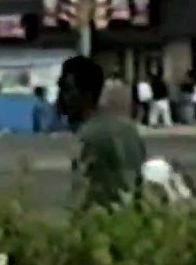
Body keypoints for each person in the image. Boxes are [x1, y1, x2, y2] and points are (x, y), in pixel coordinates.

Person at [57, 55, 149, 207]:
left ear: (85, 94)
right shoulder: (127, 128)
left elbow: (81, 197)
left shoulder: (90, 136)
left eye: (66, 89)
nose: (61, 97)